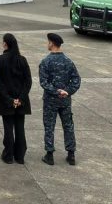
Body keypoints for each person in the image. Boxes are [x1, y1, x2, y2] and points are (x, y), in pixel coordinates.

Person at [39, 33, 80, 166]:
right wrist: (67, 91)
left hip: (51, 100)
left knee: (49, 126)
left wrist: (56, 91)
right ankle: (71, 154)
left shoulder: (46, 62)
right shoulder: (68, 61)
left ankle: (49, 155)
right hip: (65, 100)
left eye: (48, 42)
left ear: (51, 43)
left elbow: (44, 82)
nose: (47, 44)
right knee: (68, 126)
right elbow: (76, 80)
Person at [0, 32, 32, 165]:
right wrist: (20, 99)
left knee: (8, 128)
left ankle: (8, 155)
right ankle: (20, 156)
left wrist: (10, 100)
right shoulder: (22, 60)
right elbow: (28, 82)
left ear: (5, 44)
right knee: (20, 128)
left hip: (7, 101)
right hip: (21, 101)